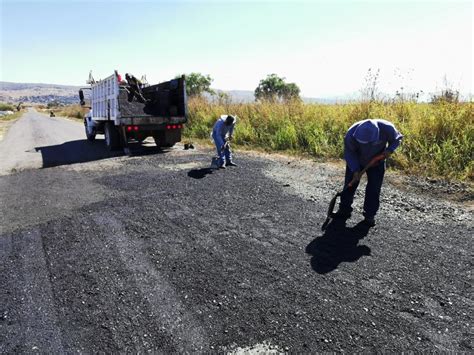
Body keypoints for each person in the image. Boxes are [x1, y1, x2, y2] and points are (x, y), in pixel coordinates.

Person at [332, 118, 403, 227]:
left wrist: (389, 151)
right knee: (350, 184)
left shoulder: (387, 128)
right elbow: (350, 153)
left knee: (374, 188)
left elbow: (397, 139)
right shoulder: (351, 134)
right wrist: (355, 170)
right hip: (357, 161)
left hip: (377, 162)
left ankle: (369, 216)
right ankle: (344, 210)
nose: (365, 145)